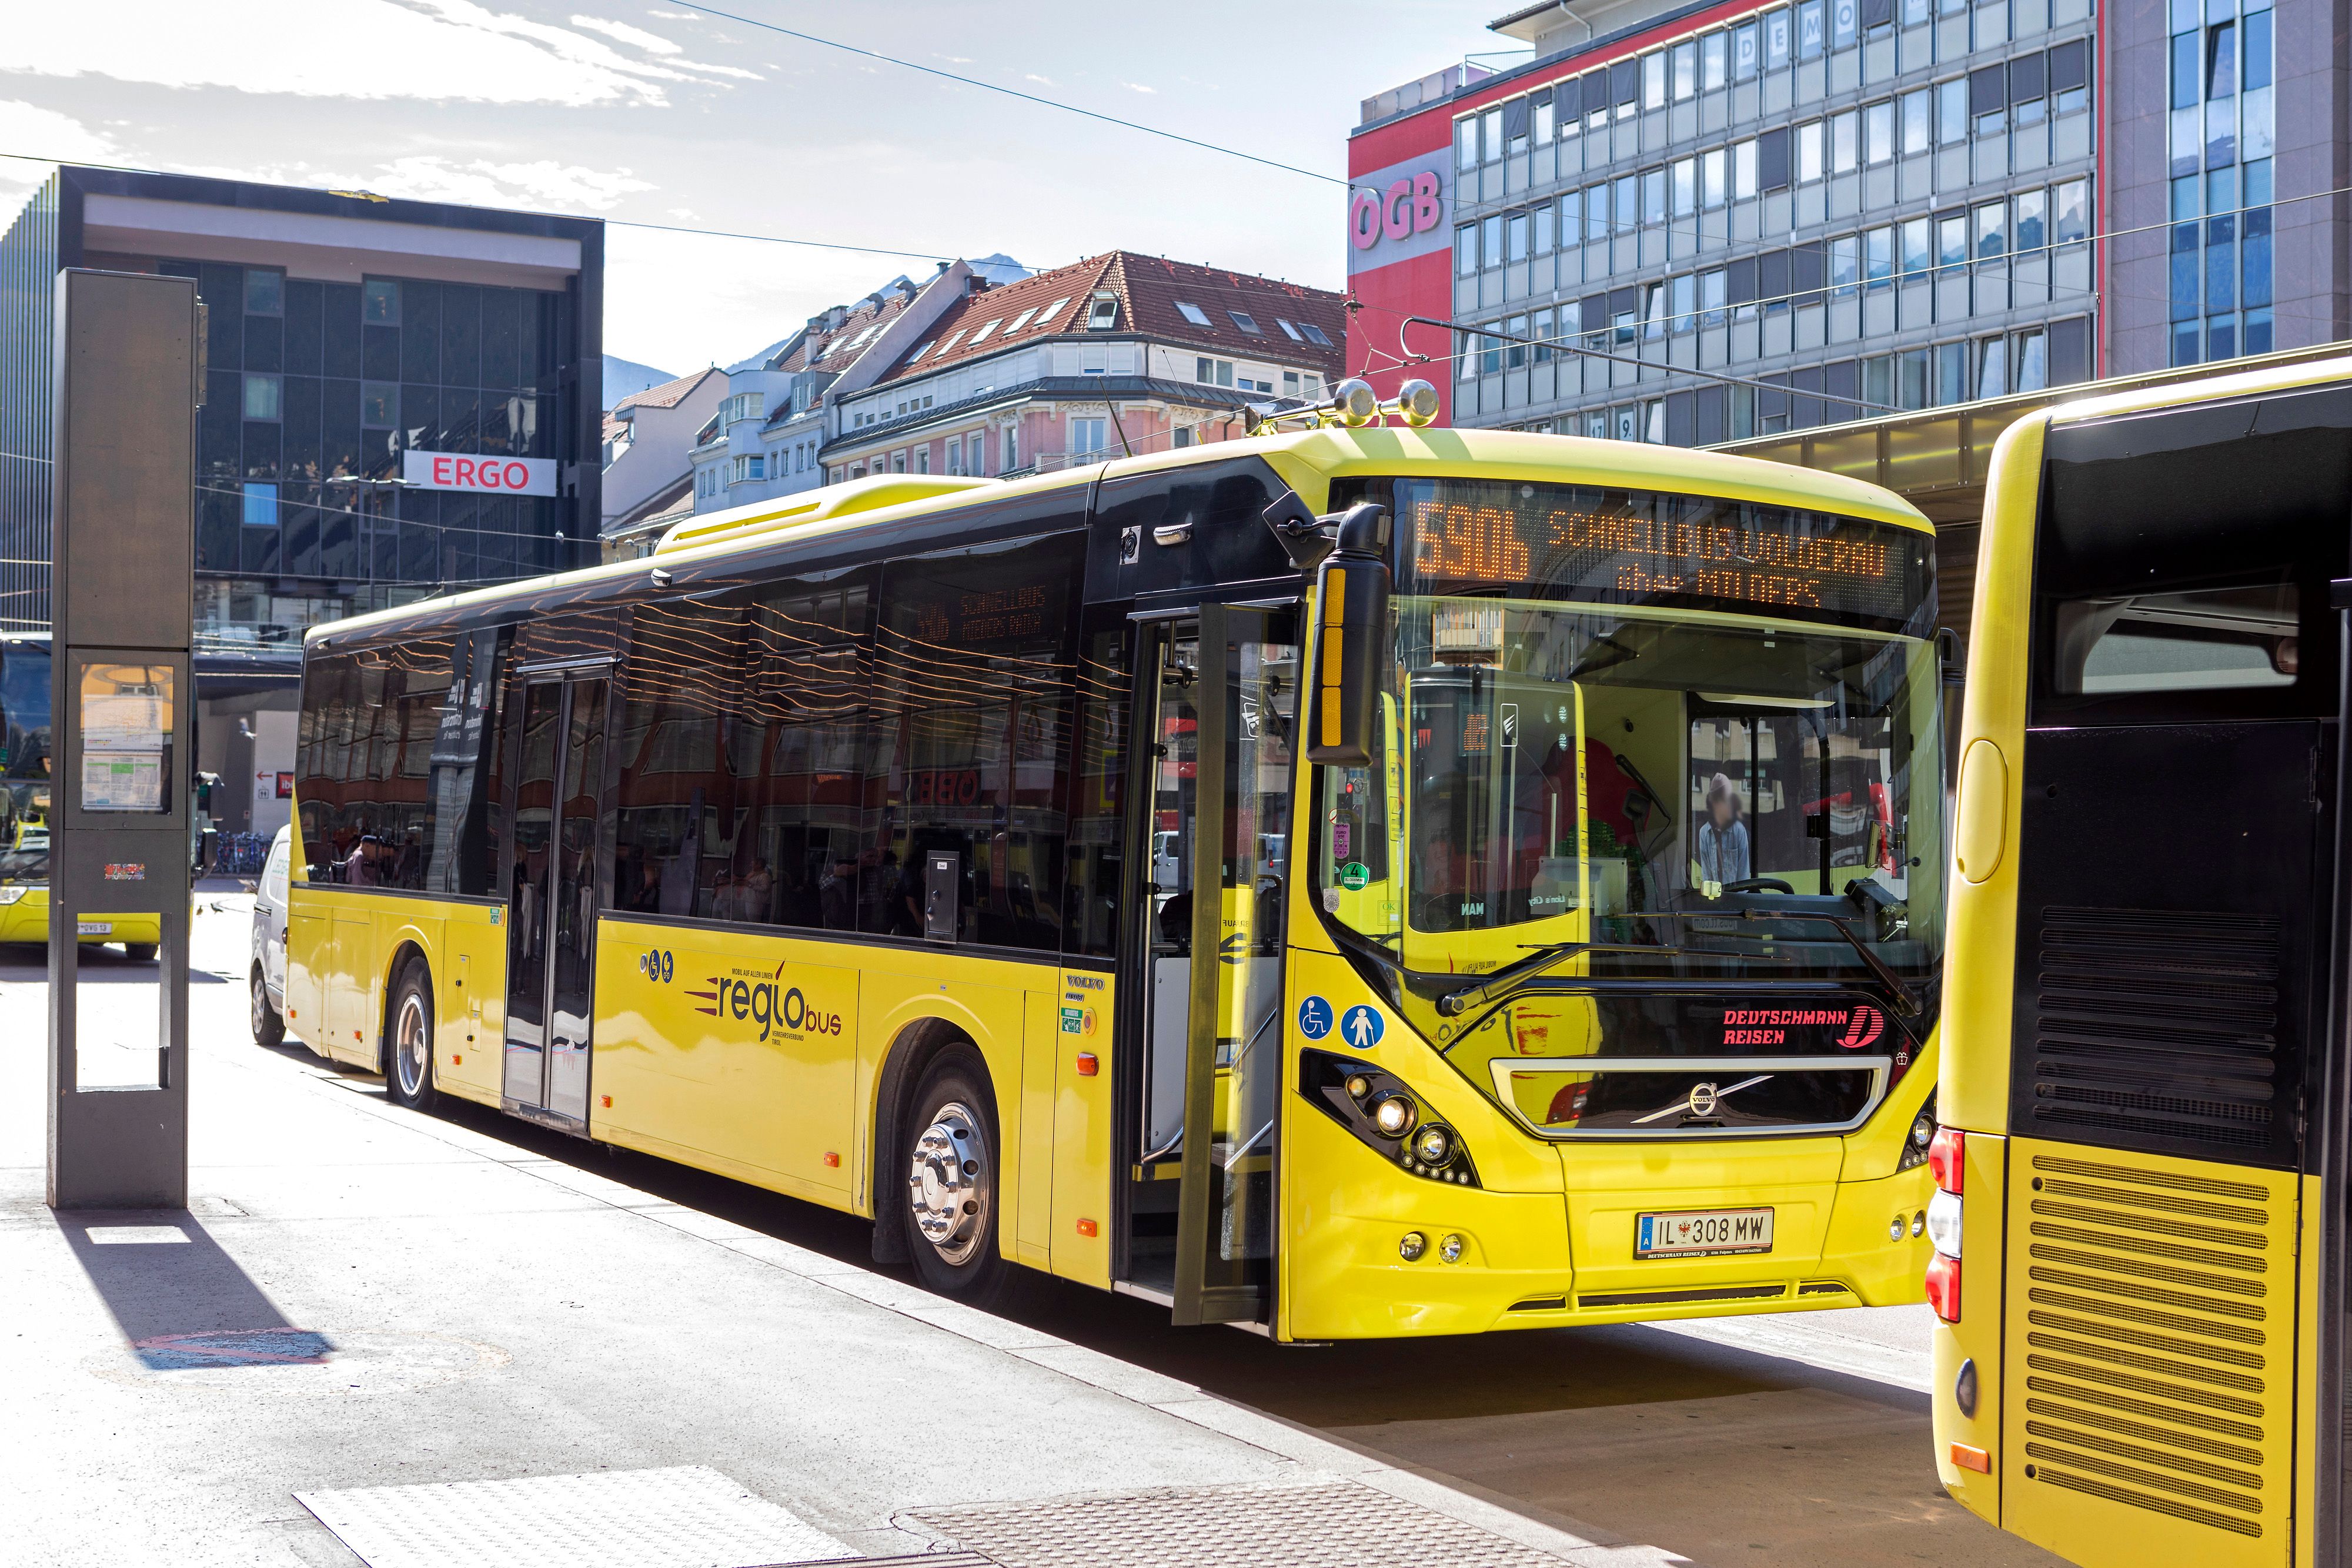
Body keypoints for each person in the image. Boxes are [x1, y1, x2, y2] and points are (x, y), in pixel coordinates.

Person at [1696, 773, 1751, 887]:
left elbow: (1743, 875)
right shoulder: (1704, 833)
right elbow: (1707, 875)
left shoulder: (1739, 831)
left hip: (1737, 899)